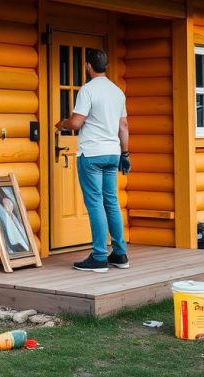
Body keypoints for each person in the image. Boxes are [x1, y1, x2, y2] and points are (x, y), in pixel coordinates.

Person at [54, 49, 130, 273]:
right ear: (106, 66)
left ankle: (99, 257)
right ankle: (120, 253)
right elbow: (123, 126)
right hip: (113, 153)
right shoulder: (117, 92)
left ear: (88, 66)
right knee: (112, 202)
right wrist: (125, 154)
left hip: (92, 154)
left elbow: (77, 123)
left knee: (95, 203)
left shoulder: (87, 90)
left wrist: (62, 123)